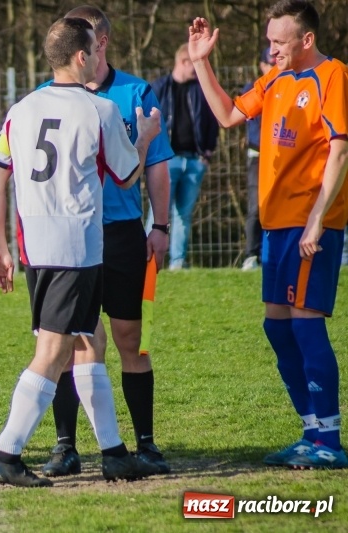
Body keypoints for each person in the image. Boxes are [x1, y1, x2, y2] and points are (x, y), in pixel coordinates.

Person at [0, 16, 162, 487]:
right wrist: (145, 136)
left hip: (36, 245)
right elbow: (126, 176)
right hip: (76, 245)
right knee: (54, 350)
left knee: (90, 340)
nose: (100, 58)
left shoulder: (20, 109)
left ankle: (114, 452)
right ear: (82, 56)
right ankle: (6, 453)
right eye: (95, 51)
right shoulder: (100, 109)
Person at [188, 0, 348, 468]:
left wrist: (318, 218)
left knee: (305, 324)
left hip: (309, 223)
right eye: (269, 41)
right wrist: (200, 62)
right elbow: (228, 116)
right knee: (276, 327)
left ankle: (329, 442)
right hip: (276, 226)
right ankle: (311, 430)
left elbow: (340, 152)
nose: (271, 49)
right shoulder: (276, 77)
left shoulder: (333, 76)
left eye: (279, 41)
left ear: (307, 40)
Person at [38, 5, 173, 479]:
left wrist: (160, 227)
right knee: (68, 340)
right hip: (72, 236)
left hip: (120, 234)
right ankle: (66, 446)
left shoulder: (135, 92)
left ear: (102, 43)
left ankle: (146, 443)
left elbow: (155, 164)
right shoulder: (49, 95)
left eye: (89, 38)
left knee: (132, 338)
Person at [149, 43, 219, 270]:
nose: (197, 69)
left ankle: (178, 261)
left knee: (183, 214)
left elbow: (212, 121)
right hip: (166, 161)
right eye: (194, 64)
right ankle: (149, 259)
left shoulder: (200, 90)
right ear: (183, 61)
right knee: (158, 213)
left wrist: (207, 152)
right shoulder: (159, 88)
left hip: (194, 160)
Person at [241, 48, 277, 272]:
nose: (273, 68)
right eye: (270, 64)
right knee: (257, 206)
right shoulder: (254, 90)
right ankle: (251, 255)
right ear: (262, 66)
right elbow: (253, 129)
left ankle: (272, 253)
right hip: (260, 155)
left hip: (284, 157)